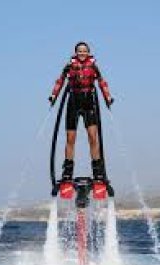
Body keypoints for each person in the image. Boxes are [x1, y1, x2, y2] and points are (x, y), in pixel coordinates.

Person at [49, 42, 113, 181]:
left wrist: (107, 97)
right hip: (73, 102)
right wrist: (53, 96)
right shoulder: (69, 67)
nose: (82, 53)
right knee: (70, 139)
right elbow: (59, 82)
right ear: (76, 53)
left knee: (92, 137)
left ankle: (97, 170)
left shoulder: (94, 67)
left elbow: (102, 83)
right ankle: (67, 171)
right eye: (79, 51)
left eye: (84, 51)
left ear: (88, 53)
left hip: (89, 103)